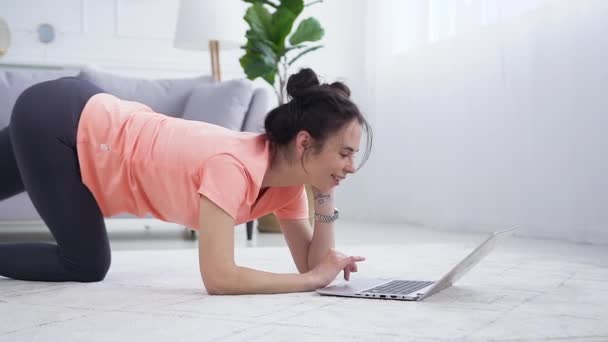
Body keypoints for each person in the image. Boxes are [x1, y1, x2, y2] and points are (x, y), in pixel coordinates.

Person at [0, 68, 373, 295]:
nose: (351, 166)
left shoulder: (288, 185)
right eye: (344, 153)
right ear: (305, 142)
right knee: (85, 263)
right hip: (59, 123)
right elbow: (219, 277)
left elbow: (313, 265)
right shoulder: (233, 167)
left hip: (79, 113)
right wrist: (310, 282)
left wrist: (323, 197)